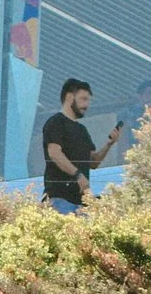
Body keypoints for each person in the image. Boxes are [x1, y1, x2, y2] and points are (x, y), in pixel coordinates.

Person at [41, 78, 119, 213]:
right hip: (59, 199)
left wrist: (109, 144)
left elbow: (93, 162)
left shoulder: (82, 130)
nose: (87, 105)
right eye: (83, 99)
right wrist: (78, 175)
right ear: (70, 97)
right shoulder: (56, 122)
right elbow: (54, 153)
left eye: (88, 100)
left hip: (81, 203)